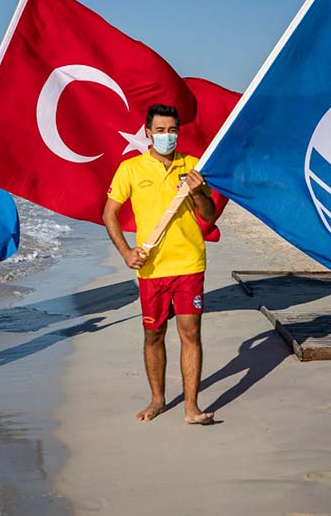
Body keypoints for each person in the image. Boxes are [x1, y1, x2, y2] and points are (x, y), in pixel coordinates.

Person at [103, 104, 217, 425]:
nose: (168, 136)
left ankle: (191, 407)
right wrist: (126, 252)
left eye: (173, 130)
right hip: (151, 268)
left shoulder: (193, 165)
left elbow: (208, 216)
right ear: (149, 133)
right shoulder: (131, 169)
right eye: (161, 130)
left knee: (190, 333)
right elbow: (108, 213)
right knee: (154, 334)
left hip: (189, 263)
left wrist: (197, 193)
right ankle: (157, 399)